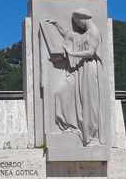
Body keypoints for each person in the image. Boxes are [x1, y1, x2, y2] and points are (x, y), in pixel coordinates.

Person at [42, 11, 103, 146]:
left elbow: (90, 52)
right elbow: (68, 35)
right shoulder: (84, 34)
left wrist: (71, 53)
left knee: (88, 102)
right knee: (60, 93)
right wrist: (57, 24)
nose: (77, 25)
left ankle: (91, 136)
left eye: (77, 22)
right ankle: (71, 126)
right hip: (78, 70)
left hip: (88, 69)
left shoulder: (94, 32)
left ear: (83, 18)